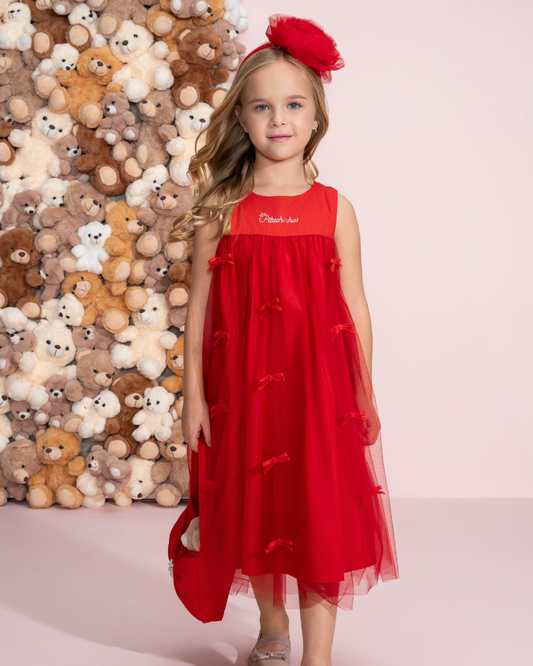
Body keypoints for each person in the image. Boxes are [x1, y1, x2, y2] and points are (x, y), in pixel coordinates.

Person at [167, 14, 400, 666]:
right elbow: (199, 311)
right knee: (260, 509)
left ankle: (316, 658)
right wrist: (194, 398)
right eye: (262, 106)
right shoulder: (222, 211)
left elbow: (355, 306)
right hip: (243, 393)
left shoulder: (335, 210)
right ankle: (272, 629)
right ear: (241, 118)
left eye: (293, 105)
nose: (278, 119)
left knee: (317, 516)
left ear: (316, 116)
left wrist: (362, 390)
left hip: (317, 394)